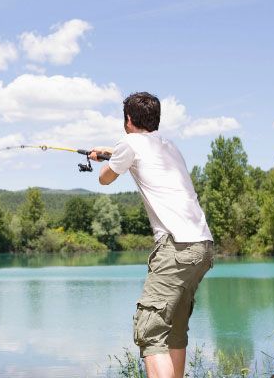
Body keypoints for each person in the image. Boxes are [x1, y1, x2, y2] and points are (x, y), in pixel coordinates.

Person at [90, 92, 214, 378]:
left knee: (149, 330)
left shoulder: (129, 143)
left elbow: (105, 178)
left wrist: (105, 159)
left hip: (177, 248)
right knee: (174, 331)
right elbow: (135, 151)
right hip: (203, 247)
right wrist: (109, 152)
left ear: (128, 120)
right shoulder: (169, 147)